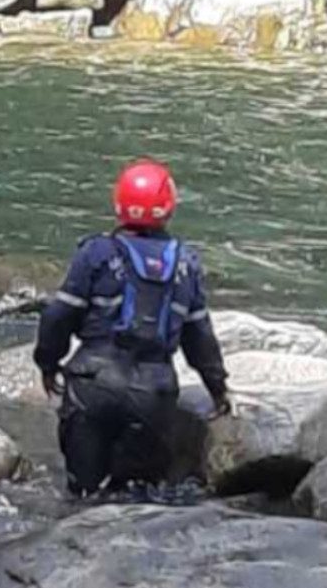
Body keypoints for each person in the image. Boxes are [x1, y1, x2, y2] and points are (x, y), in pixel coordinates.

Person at [35, 159, 231, 499]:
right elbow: (199, 338)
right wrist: (218, 388)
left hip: (92, 384)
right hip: (154, 393)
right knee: (136, 497)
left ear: (118, 205)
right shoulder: (187, 262)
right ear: (168, 207)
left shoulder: (96, 252)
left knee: (82, 494)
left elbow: (57, 316)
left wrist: (48, 364)